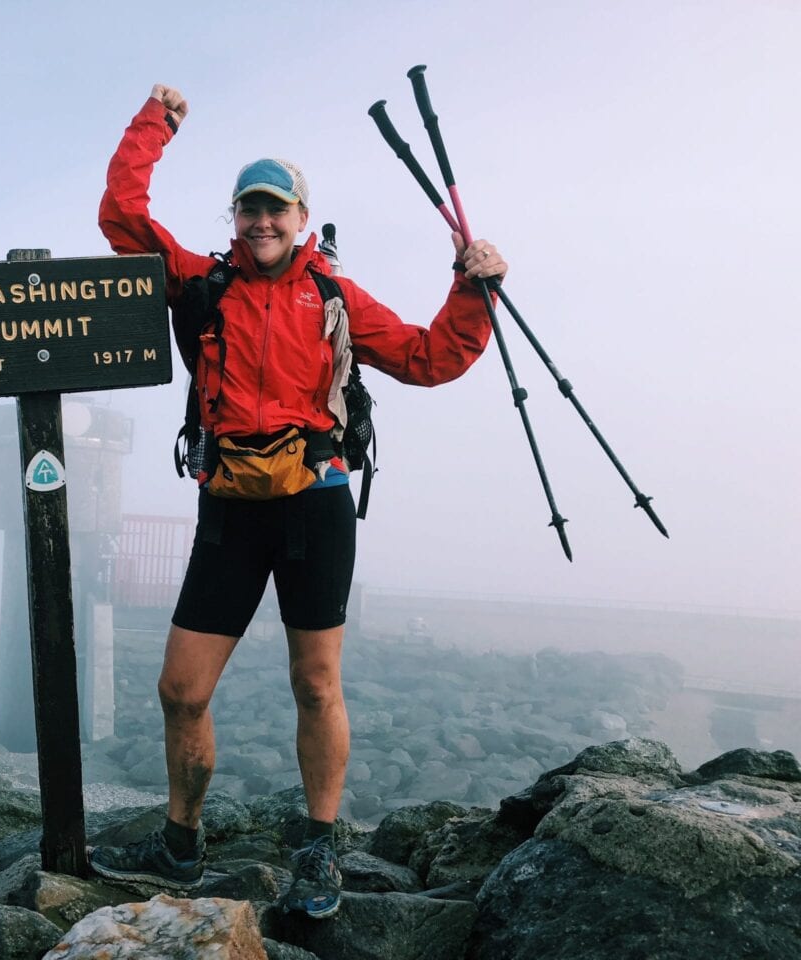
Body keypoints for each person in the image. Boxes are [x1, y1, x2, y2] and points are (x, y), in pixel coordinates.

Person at [88, 84, 507, 919]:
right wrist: (155, 125)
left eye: (276, 209)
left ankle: (318, 849)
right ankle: (181, 843)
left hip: (315, 504)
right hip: (229, 504)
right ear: (235, 217)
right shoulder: (201, 285)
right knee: (181, 690)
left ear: (300, 216)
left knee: (316, 684)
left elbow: (429, 358)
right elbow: (121, 213)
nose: (261, 223)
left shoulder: (336, 298)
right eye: (249, 209)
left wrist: (474, 290)